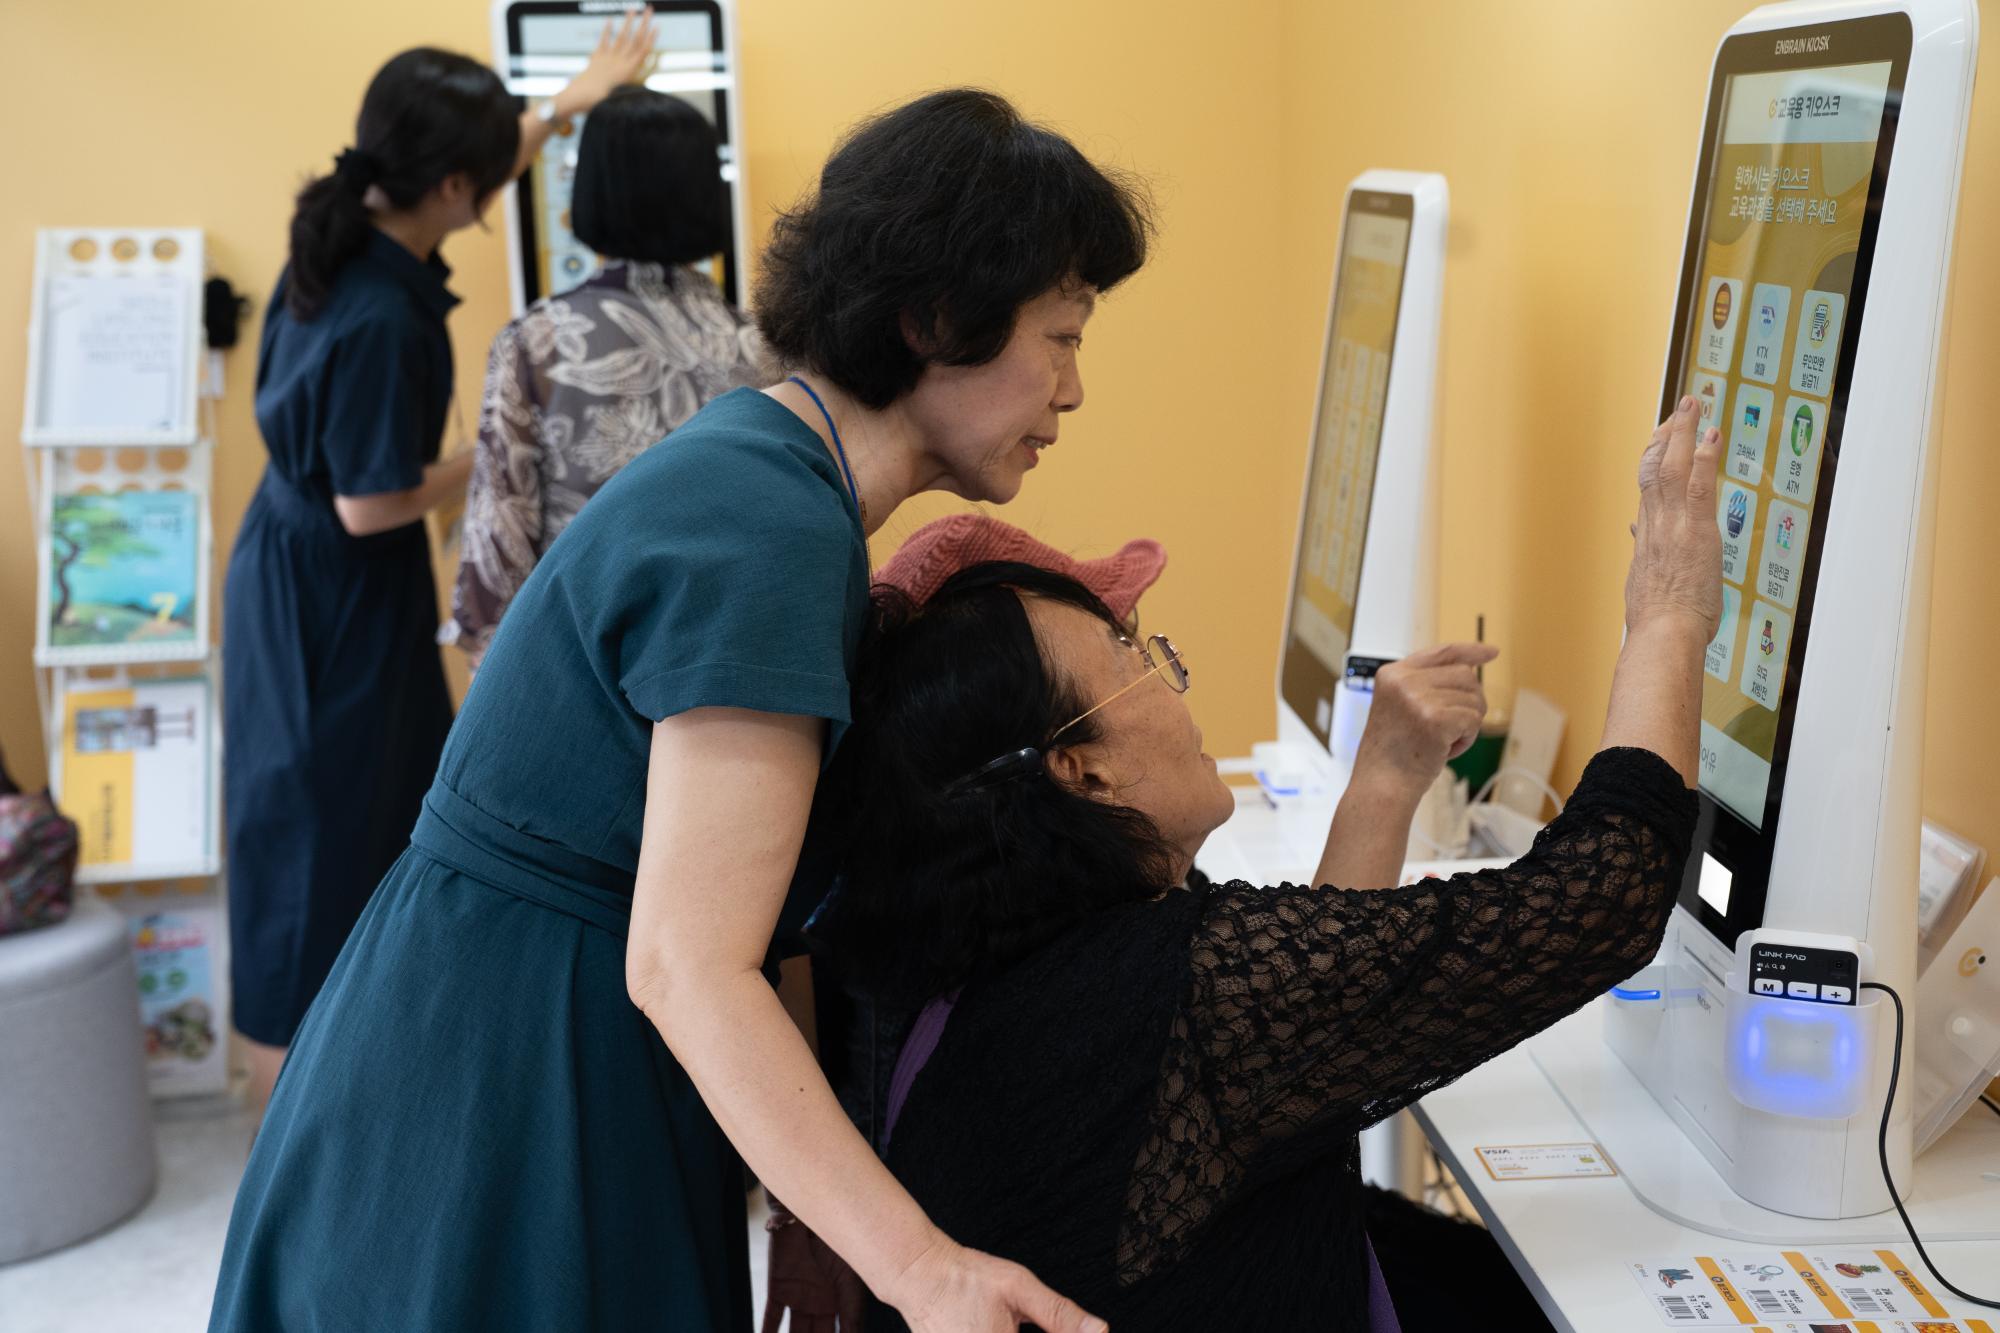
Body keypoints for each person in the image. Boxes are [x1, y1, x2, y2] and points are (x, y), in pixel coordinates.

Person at [209, 89, 1150, 1332]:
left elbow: (742, 910)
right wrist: (921, 1266)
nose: (1072, 390)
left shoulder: (770, 472)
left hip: (520, 1020)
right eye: (1062, 336)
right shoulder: (767, 526)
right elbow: (688, 961)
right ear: (932, 319)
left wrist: (815, 1201)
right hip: (513, 1063)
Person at [806, 400, 1725, 1331]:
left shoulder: (1008, 952)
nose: (1170, 669)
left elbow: (1302, 1006)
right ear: (1082, 773)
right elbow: (1605, 893)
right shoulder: (1153, 993)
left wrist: (1384, 778)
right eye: (1132, 656)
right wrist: (1670, 614)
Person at [221, 17, 657, 1111]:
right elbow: (371, 503)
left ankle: (342, 1089)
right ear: (454, 186)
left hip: (294, 568)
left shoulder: (350, 229)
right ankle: (295, 1124)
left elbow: (481, 157)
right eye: (493, 172)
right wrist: (507, 440)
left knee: (330, 818)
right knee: (321, 838)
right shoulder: (383, 317)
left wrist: (568, 102)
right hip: (334, 598)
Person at [448, 86, 773, 670]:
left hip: (584, 668)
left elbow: (496, 558)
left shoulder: (538, 343)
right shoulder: (763, 348)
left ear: (590, 190)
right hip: (732, 666)